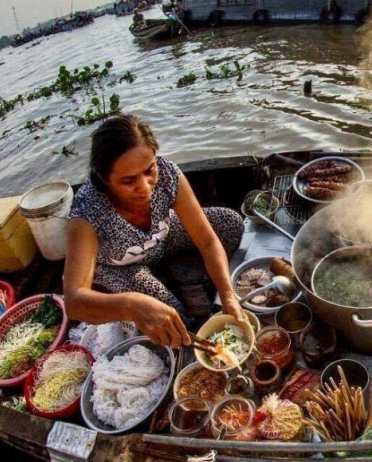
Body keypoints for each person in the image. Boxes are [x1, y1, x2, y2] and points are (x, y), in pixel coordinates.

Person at [63, 115, 247, 348]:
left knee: (230, 223)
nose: (144, 187)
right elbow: (74, 302)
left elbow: (208, 241)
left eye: (149, 170)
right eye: (128, 181)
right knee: (172, 316)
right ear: (104, 179)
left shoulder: (168, 173)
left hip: (164, 237)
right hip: (122, 265)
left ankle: (205, 290)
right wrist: (131, 304)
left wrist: (227, 293)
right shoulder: (87, 212)